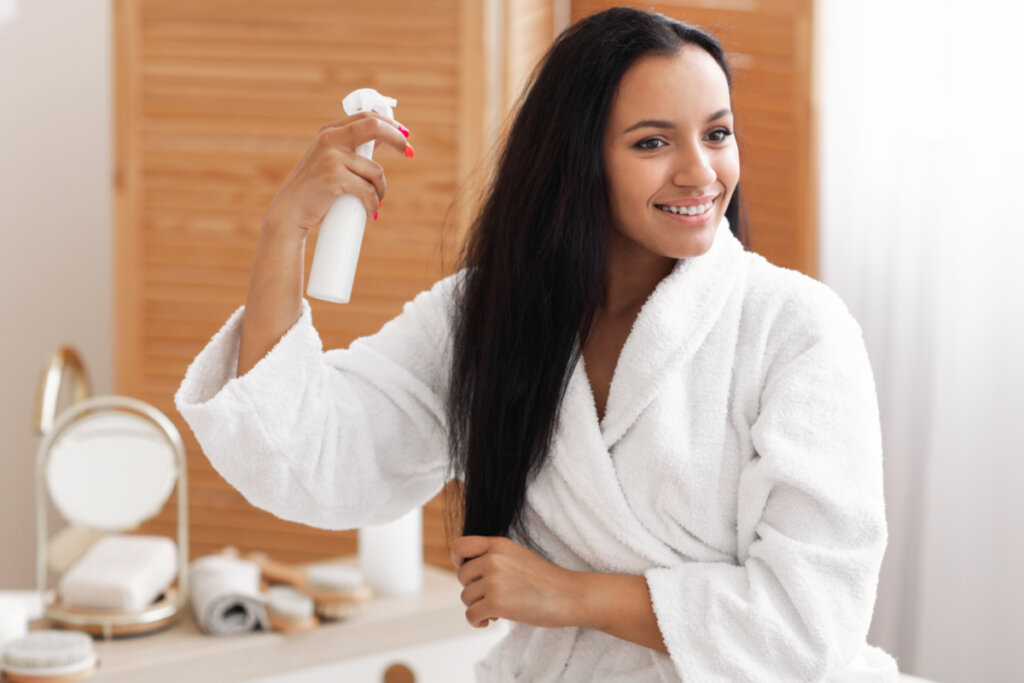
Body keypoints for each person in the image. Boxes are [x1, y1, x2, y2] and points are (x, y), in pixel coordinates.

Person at [176, 7, 899, 681]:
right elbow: (305, 457)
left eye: (717, 133)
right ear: (577, 159)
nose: (700, 172)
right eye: (653, 141)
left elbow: (812, 623)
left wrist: (570, 596)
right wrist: (284, 233)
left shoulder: (797, 328)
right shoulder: (488, 313)